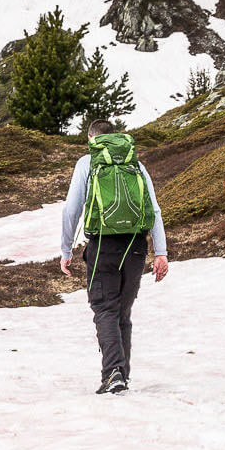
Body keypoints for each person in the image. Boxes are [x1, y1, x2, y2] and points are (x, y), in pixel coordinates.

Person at [59, 119, 169, 395]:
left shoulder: (88, 163)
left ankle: (113, 375)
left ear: (91, 138)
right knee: (122, 311)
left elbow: (71, 210)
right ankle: (122, 375)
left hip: (102, 245)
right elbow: (153, 210)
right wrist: (161, 253)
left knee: (105, 307)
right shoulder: (136, 164)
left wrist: (66, 249)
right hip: (136, 244)